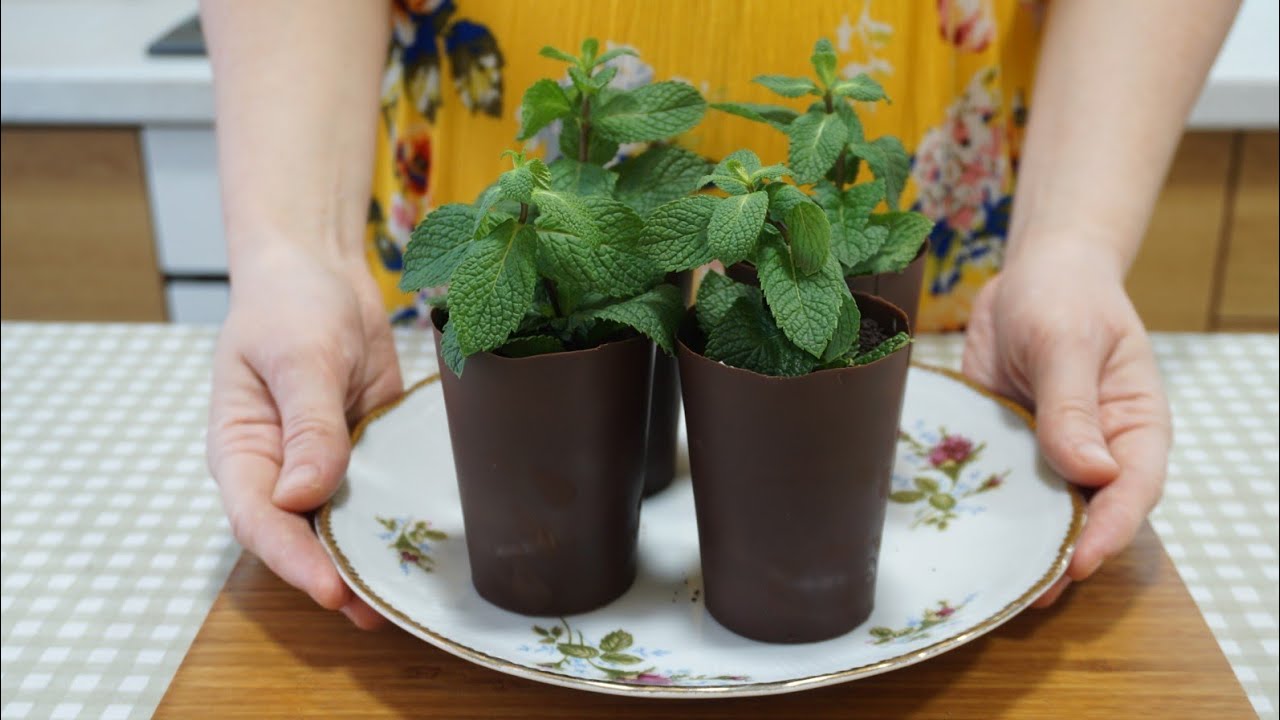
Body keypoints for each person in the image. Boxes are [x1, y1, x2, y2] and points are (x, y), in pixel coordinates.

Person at [201, 0, 1240, 628]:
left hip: (918, 188)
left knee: (826, 333)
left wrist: (1069, 246)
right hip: (530, 184)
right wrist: (296, 247)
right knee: (582, 304)